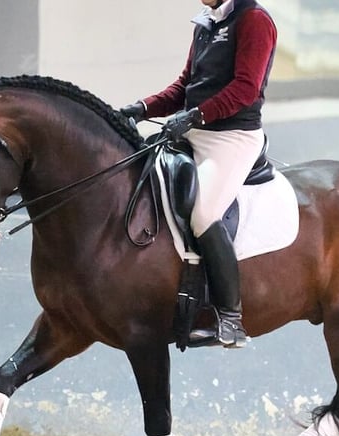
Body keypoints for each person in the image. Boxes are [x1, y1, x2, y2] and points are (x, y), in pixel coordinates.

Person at [121, 0, 277, 349]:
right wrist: (141, 108)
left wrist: (194, 117)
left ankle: (231, 317)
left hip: (233, 138)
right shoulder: (206, 23)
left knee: (204, 213)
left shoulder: (254, 20)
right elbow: (184, 88)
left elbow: (245, 89)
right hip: (196, 131)